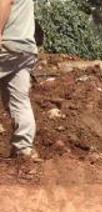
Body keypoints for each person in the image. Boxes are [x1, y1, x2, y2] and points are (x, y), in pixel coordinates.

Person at [0, 0, 39, 161]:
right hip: (26, 50)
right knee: (19, 100)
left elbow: (5, 3)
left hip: (7, 45)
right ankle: (23, 149)